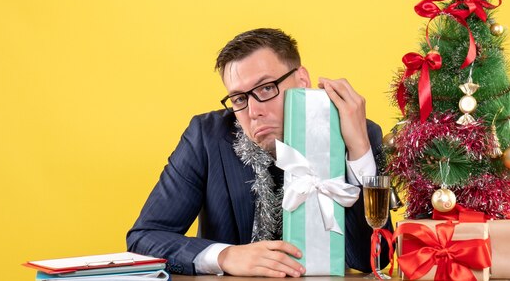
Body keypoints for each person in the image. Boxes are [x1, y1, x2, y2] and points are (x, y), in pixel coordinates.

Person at [126, 28, 388, 276]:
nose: (253, 112)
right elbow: (143, 237)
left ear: (302, 79)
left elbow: (374, 259)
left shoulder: (358, 131)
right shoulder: (206, 136)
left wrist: (359, 151)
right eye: (239, 98)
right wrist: (225, 256)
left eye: (266, 88)